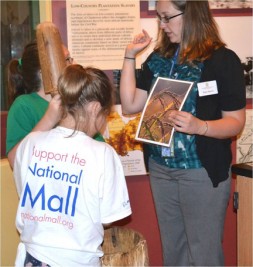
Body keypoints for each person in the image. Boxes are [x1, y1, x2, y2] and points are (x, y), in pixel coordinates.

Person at [120, 0, 246, 266]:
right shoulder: (159, 59)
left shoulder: (222, 60)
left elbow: (235, 122)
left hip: (200, 171)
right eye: (159, 19)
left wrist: (200, 126)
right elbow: (131, 104)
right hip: (161, 168)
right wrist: (130, 55)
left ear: (191, 14)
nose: (163, 26)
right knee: (173, 253)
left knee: (204, 255)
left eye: (167, 18)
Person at [13, 64, 132, 266]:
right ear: (95, 108)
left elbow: (25, 193)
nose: (104, 122)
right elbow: (107, 217)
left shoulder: (29, 143)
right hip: (77, 260)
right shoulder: (103, 154)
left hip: (30, 258)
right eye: (105, 114)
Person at [6, 40, 104, 168]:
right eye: (66, 59)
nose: (74, 64)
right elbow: (15, 161)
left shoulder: (76, 101)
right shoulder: (24, 105)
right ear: (45, 73)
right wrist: (49, 119)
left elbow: (99, 151)